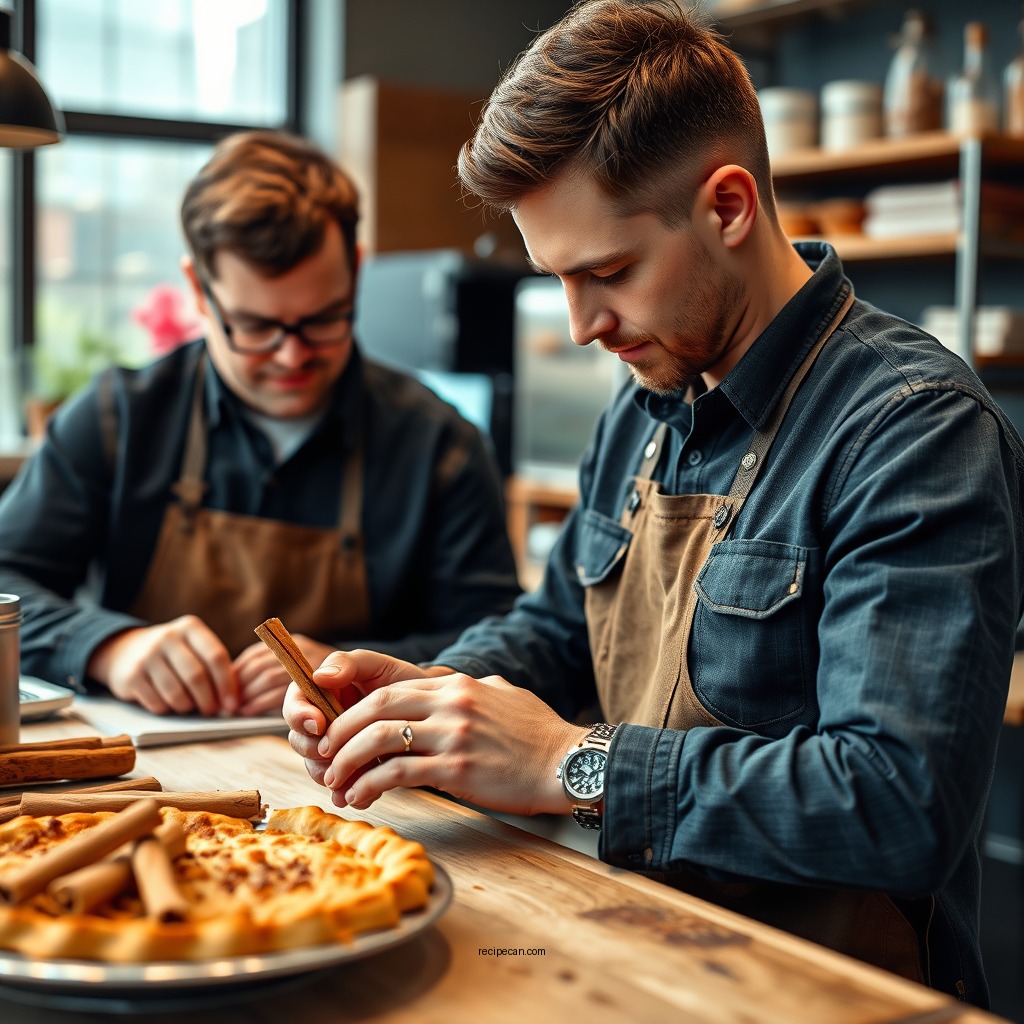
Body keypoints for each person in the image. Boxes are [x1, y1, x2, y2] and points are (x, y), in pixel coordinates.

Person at [281, 1, 1024, 1008]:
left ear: (726, 207)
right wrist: (420, 702)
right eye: (559, 279)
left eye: (607, 273)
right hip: (635, 939)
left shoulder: (913, 428)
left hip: (823, 987)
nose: (583, 325)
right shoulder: (645, 398)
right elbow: (555, 632)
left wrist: (572, 762)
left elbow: (897, 800)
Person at [0, 130, 520, 718]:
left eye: (323, 320)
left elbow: (501, 641)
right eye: (254, 327)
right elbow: (4, 578)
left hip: (361, 784)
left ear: (354, 270)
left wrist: (359, 669)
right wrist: (107, 646)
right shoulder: (119, 417)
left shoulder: (439, 445)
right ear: (199, 288)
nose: (291, 356)